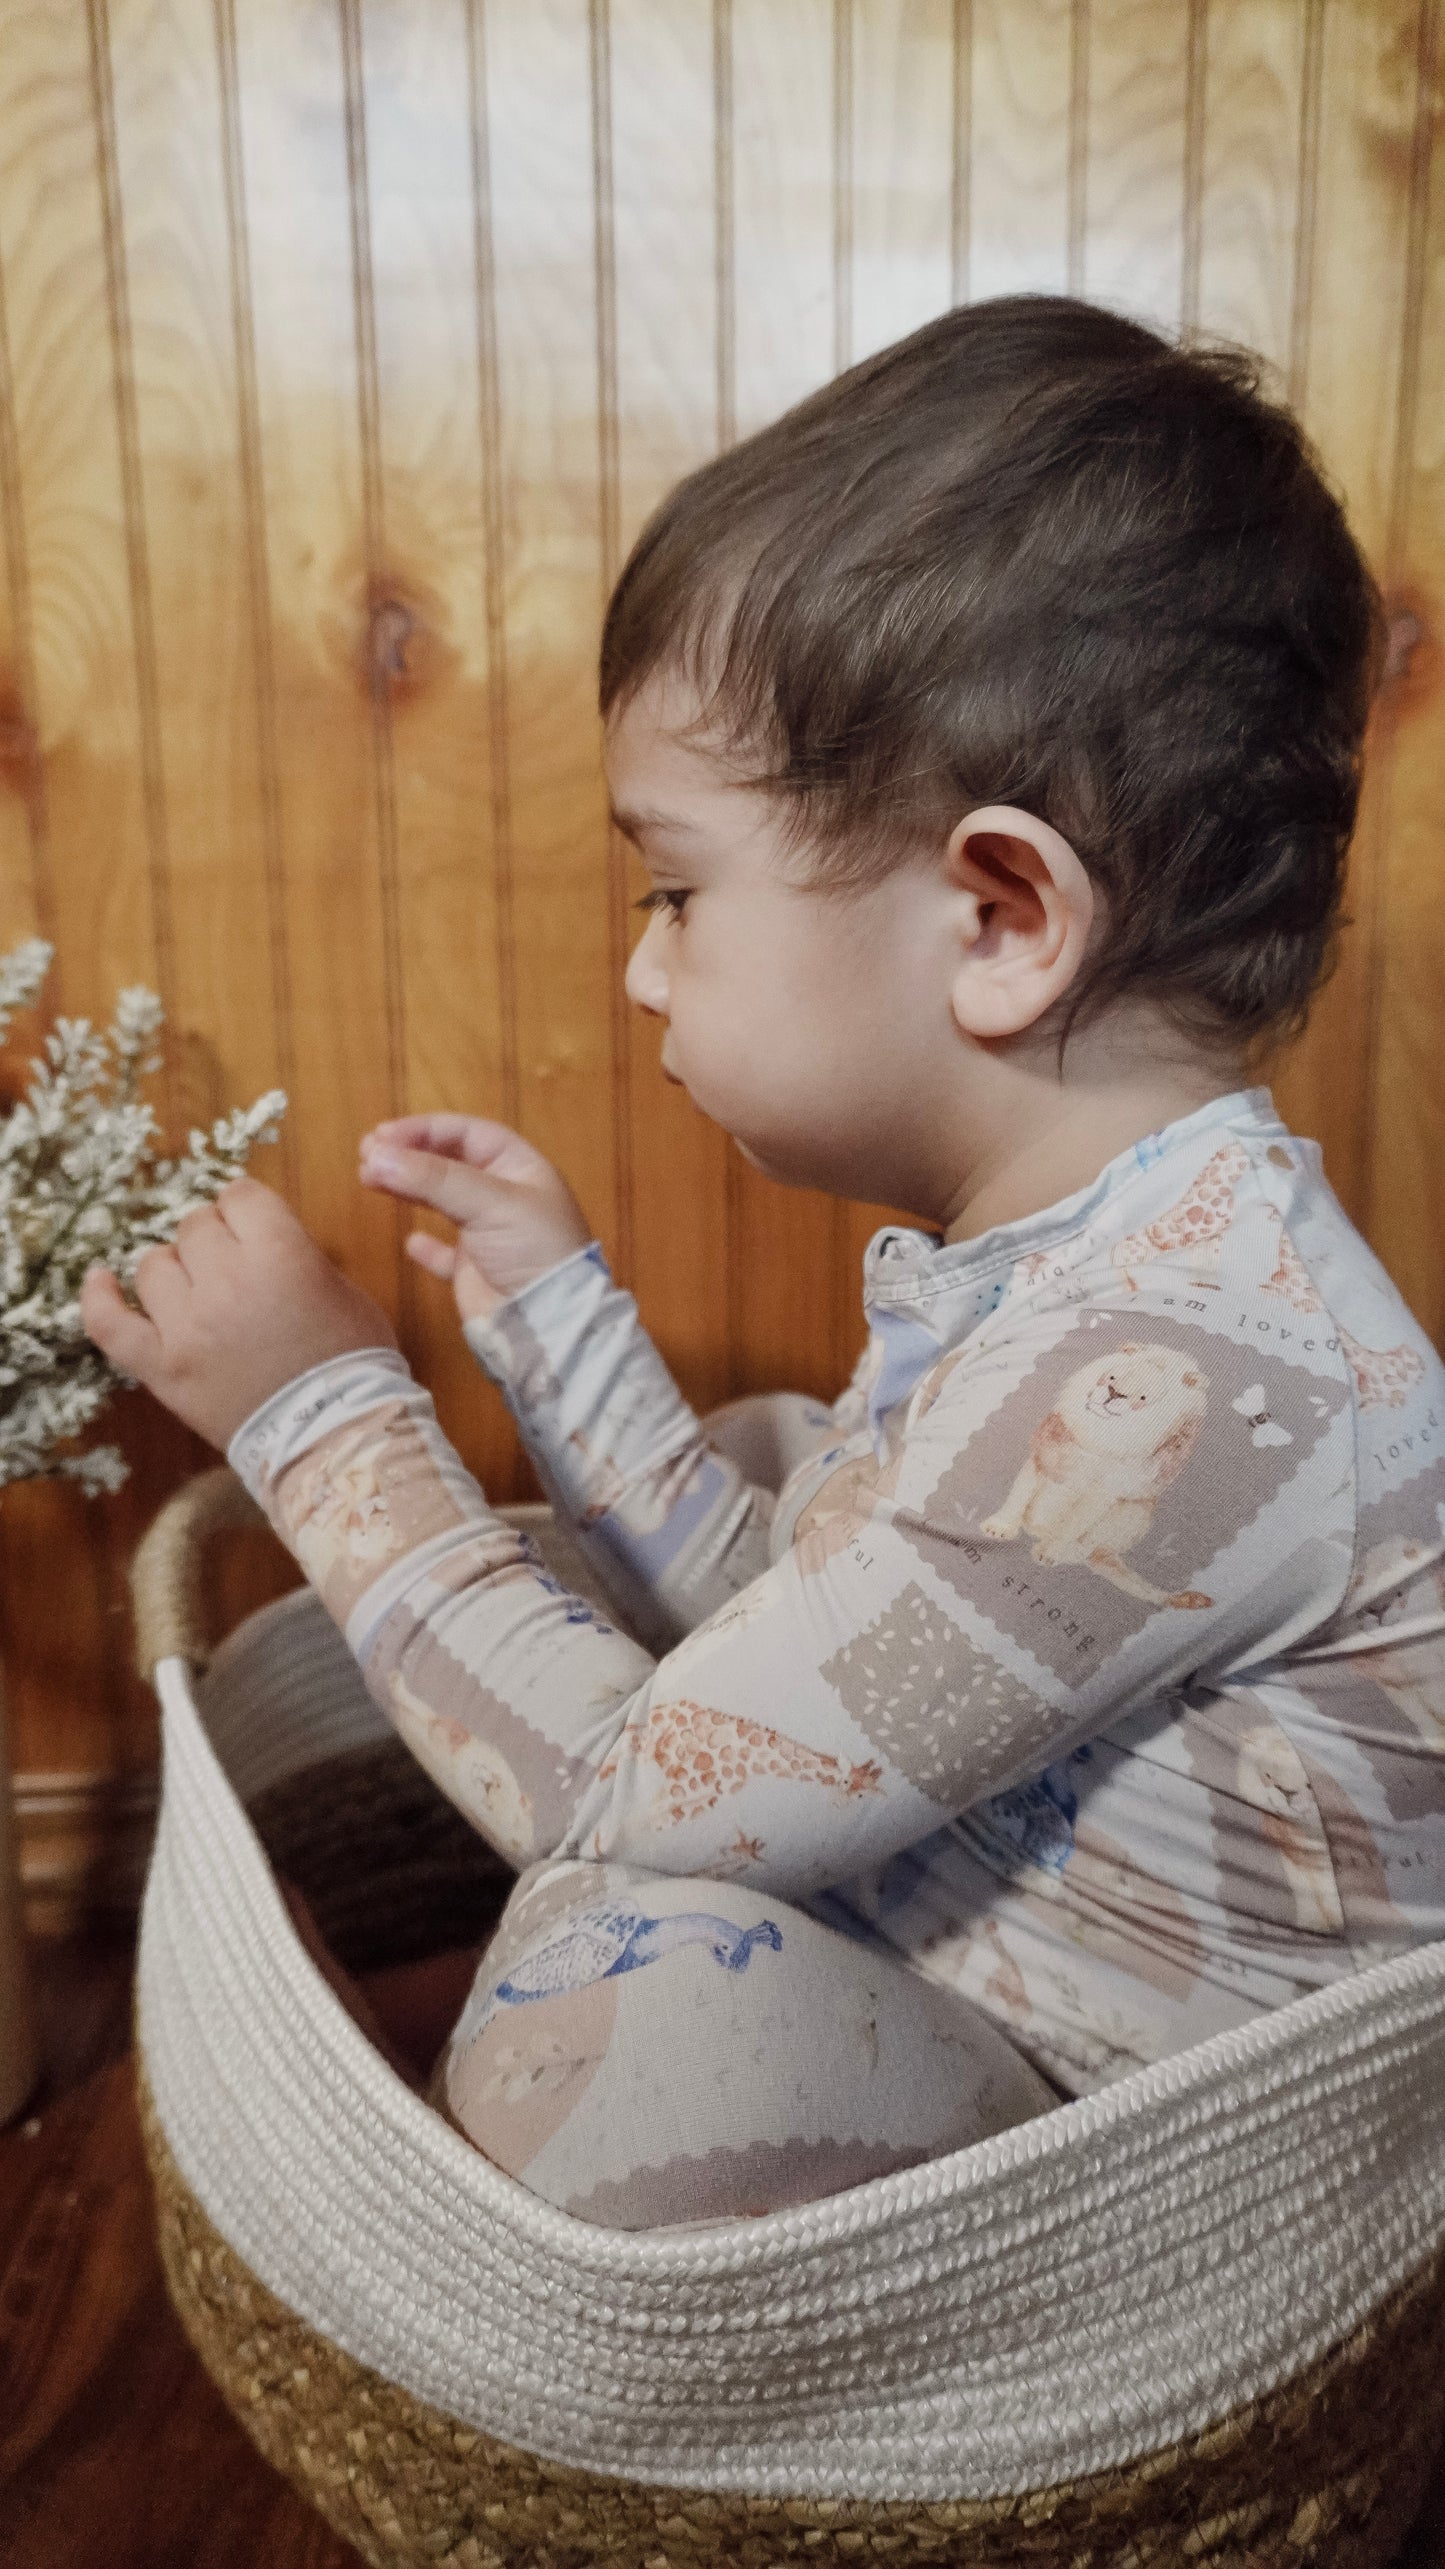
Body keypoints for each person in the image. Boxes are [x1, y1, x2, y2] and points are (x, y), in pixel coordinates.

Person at [81, 294, 1445, 2232]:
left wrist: (321, 1420)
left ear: (1000, 914)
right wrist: (567, 1330)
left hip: (1171, 2190)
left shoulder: (1200, 1369)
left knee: (599, 1984)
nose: (643, 965)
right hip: (992, 1998)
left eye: (678, 888)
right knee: (692, 1650)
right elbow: (789, 1655)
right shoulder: (1095, 1265)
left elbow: (639, 1783)